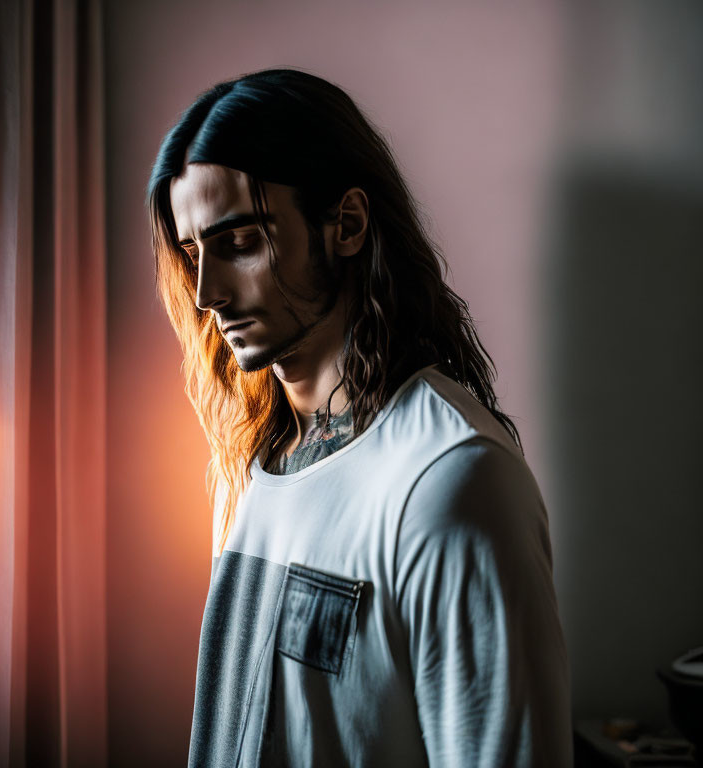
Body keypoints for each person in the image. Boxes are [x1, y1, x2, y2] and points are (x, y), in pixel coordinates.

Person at [147, 67, 573, 767]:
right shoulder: (249, 469)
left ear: (344, 224)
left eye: (240, 243)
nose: (208, 293)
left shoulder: (451, 482)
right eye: (194, 254)